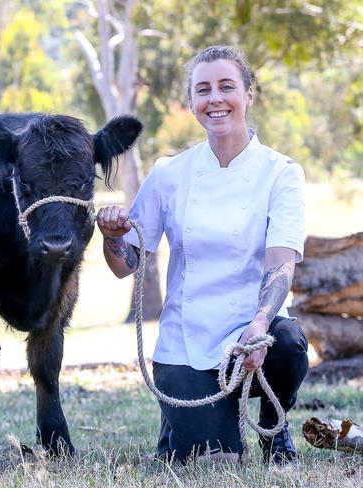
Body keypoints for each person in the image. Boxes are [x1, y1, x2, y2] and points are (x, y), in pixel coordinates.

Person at [97, 46, 308, 464]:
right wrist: (110, 237)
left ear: (248, 95)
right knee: (218, 462)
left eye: (227, 86)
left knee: (288, 342)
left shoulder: (281, 172)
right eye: (203, 89)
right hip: (185, 342)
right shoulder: (168, 173)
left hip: (250, 333)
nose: (215, 99)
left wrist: (261, 323)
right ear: (192, 102)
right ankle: (181, 419)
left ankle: (274, 425)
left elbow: (281, 262)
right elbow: (126, 266)